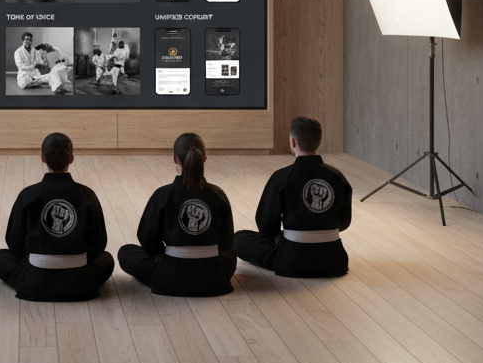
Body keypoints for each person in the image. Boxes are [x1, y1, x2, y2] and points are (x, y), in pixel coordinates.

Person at [0, 132, 114, 301]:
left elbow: (14, 243)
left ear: (43, 158)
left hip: (34, 281)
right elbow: (98, 245)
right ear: (71, 159)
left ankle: (32, 281)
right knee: (107, 259)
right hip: (80, 282)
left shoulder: (28, 194)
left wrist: (32, 259)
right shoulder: (87, 195)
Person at [118, 133, 236, 296]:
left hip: (170, 275)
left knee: (126, 252)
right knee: (231, 254)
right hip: (212, 277)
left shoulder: (163, 195)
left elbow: (146, 238)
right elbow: (226, 242)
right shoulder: (218, 194)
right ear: (204, 159)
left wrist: (162, 257)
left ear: (175, 158)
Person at [232, 116, 351, 277]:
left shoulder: (281, 177)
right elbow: (344, 222)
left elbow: (266, 226)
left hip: (292, 260)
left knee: (239, 238)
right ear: (319, 142)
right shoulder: (337, 176)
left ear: (293, 142)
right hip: (334, 260)